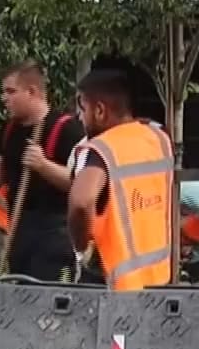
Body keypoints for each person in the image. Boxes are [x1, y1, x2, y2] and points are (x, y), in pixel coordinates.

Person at [0, 62, 83, 281]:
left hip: (56, 237)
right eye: (4, 92)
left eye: (11, 92)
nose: (4, 98)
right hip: (19, 232)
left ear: (32, 92)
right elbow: (0, 170)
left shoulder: (67, 129)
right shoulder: (10, 129)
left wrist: (43, 166)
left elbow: (81, 183)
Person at [65, 70, 176, 292]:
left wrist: (81, 248)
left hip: (112, 287)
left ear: (99, 110)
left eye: (82, 109)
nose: (79, 117)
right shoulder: (157, 139)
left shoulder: (101, 150)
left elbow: (81, 201)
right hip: (157, 279)